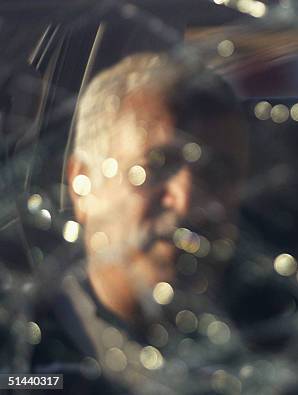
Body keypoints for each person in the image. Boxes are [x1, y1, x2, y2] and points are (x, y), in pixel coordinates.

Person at [29, 51, 249, 394]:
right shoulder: (23, 355)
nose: (189, 201)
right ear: (82, 183)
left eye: (216, 173)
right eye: (156, 166)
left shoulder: (284, 341)